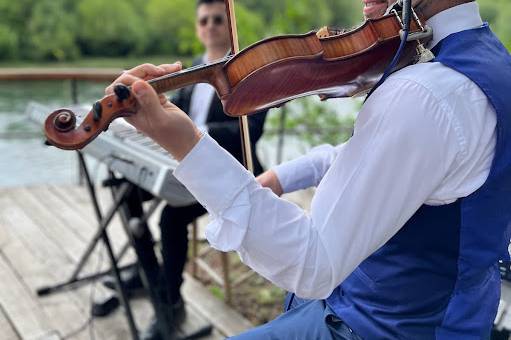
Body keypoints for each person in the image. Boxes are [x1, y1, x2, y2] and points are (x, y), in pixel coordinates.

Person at [107, 0, 511, 338]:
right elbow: (376, 157)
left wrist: (186, 144)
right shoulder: (489, 62)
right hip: (457, 315)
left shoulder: (423, 93)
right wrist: (282, 177)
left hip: (377, 325)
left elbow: (312, 265)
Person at [103, 1, 267, 339]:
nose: (210, 26)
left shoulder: (247, 73)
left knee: (170, 218)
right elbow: (175, 109)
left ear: (229, 25)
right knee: (125, 189)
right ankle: (145, 271)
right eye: (204, 20)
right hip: (188, 167)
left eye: (218, 19)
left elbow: (250, 131)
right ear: (198, 27)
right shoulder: (194, 67)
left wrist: (192, 131)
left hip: (231, 173)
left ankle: (171, 301)